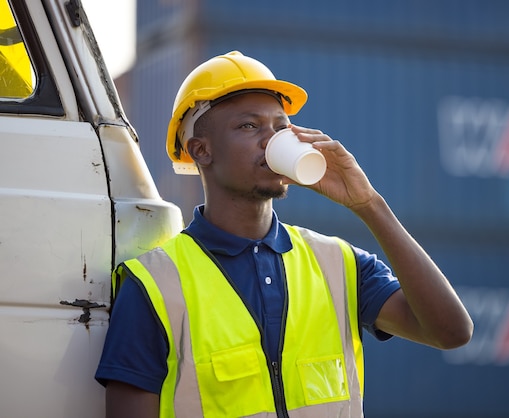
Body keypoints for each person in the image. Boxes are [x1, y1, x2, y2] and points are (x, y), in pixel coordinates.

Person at [95, 50, 473, 418]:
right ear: (201, 150)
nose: (272, 140)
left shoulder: (338, 265)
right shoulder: (154, 284)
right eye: (249, 125)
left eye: (280, 127)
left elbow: (450, 332)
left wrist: (368, 204)